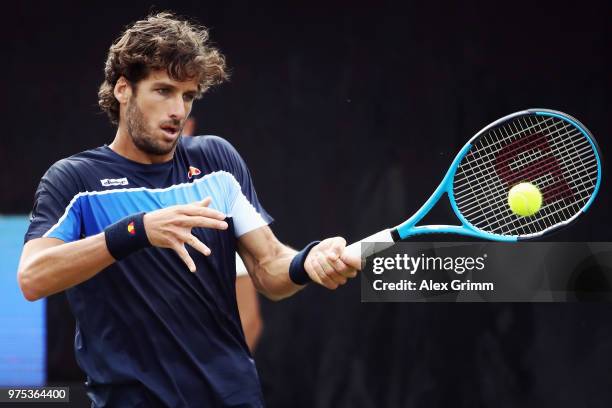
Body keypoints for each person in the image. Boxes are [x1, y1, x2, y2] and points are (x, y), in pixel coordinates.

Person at [17, 12, 359, 407]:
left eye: (188, 95)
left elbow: (269, 267)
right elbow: (32, 277)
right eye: (163, 91)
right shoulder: (75, 180)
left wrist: (307, 261)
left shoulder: (217, 160)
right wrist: (136, 231)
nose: (178, 109)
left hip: (233, 399)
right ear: (123, 90)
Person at [183, 116, 263, 352]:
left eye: (185, 97)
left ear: (190, 126)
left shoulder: (218, 211)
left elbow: (251, 320)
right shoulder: (108, 202)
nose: (173, 114)